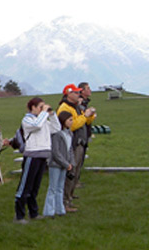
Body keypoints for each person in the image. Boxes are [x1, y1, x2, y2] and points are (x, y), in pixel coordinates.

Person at [13, 97, 60, 224]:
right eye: (40, 107)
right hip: (32, 155)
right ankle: (19, 215)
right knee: (25, 186)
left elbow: (56, 128)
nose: (42, 109)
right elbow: (37, 125)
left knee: (35, 187)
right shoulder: (27, 119)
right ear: (33, 107)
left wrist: (52, 114)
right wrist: (44, 114)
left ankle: (33, 213)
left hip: (43, 155)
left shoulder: (43, 119)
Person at [57, 84, 96, 212]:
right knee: (70, 173)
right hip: (71, 144)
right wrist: (85, 116)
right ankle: (64, 202)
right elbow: (71, 126)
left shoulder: (76, 107)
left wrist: (89, 116)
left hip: (79, 142)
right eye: (75, 92)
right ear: (68, 94)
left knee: (76, 172)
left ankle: (69, 197)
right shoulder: (65, 108)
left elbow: (85, 122)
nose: (78, 94)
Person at [43, 111, 75, 218]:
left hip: (65, 164)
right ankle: (49, 211)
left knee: (60, 187)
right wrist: (66, 163)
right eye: (69, 120)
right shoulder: (56, 134)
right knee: (53, 187)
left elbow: (70, 149)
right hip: (55, 164)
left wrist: (71, 163)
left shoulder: (69, 133)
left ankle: (59, 209)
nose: (72, 122)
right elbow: (56, 152)